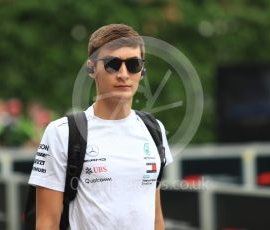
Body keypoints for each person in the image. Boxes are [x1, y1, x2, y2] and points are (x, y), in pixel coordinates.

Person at [28, 24, 173, 230]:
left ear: (142, 71)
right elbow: (46, 223)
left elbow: (156, 218)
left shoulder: (154, 129)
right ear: (91, 68)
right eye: (113, 64)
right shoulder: (63, 132)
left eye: (133, 64)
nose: (123, 74)